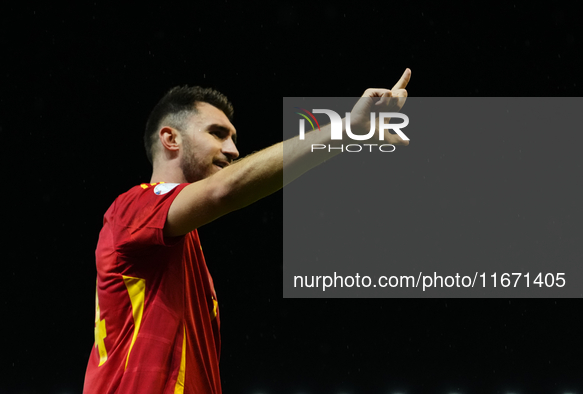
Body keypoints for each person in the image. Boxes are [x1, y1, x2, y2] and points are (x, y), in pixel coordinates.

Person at [82, 69, 412, 394]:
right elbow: (224, 190)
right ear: (170, 138)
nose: (233, 150)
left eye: (233, 138)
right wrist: (347, 130)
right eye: (217, 133)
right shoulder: (130, 209)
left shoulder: (187, 249)